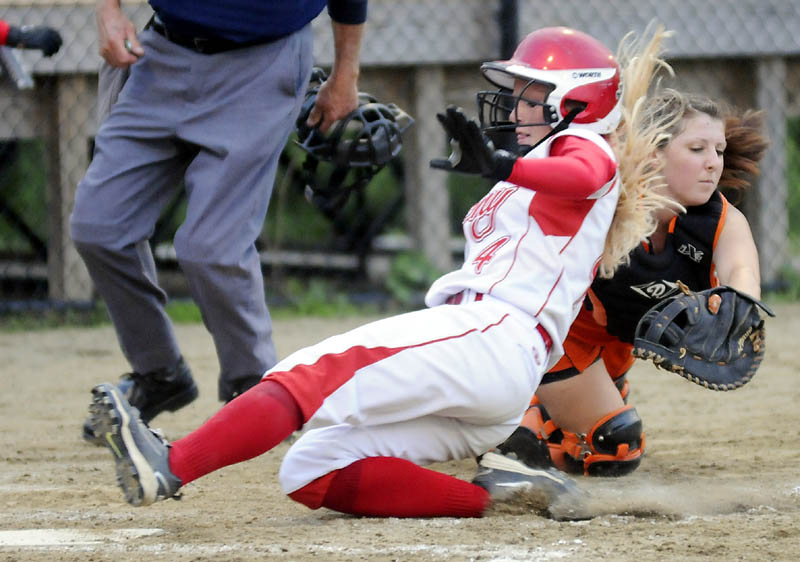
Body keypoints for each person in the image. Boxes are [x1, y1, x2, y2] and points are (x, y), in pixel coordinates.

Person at [88, 26, 670, 516]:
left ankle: (169, 465)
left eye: (529, 94)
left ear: (576, 102)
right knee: (309, 468)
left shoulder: (585, 148)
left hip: (493, 334)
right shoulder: (546, 159)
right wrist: (508, 166)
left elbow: (589, 173)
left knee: (305, 375)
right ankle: (489, 501)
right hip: (495, 369)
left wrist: (503, 164)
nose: (514, 106)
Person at [74, 0, 367, 443]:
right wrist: (108, 12)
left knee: (211, 248)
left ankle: (255, 390)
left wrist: (346, 73)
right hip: (160, 57)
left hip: (260, 65)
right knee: (98, 227)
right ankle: (160, 373)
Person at [493, 89, 769, 478]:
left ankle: (548, 414)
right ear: (654, 151)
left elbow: (742, 272)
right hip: (554, 339)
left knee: (596, 451)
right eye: (696, 149)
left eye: (719, 151)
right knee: (616, 444)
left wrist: (736, 304)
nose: (713, 164)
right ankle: (517, 414)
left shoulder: (715, 219)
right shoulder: (604, 202)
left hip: (612, 350)